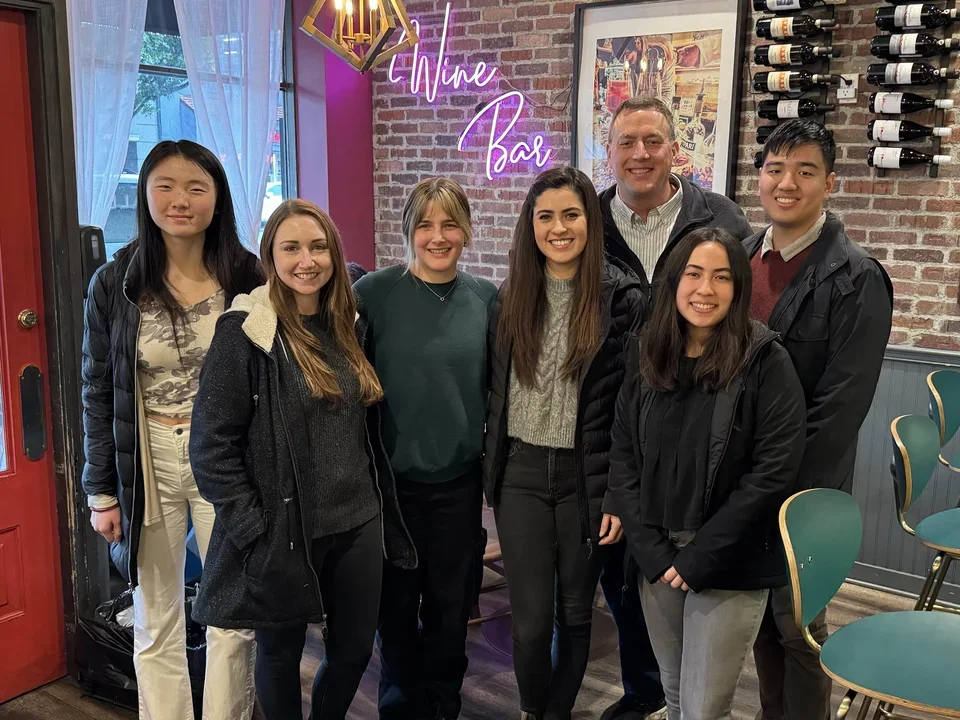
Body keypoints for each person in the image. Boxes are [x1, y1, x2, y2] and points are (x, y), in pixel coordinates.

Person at [188, 199, 417, 719]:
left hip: (358, 519)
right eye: (290, 247)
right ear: (271, 255)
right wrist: (253, 529)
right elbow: (210, 447)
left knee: (356, 650)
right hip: (284, 526)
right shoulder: (245, 333)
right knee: (279, 655)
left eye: (317, 247)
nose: (306, 260)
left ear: (334, 254)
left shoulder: (349, 325)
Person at [81, 140, 262, 720]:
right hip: (148, 457)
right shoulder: (116, 282)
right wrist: (100, 490)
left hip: (227, 457)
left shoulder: (246, 273)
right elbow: (97, 388)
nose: (179, 200)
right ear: (145, 193)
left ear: (217, 198)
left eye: (196, 187)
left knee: (233, 613)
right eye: (165, 185)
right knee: (156, 615)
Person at [609, 227, 807, 720]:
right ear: (674, 281)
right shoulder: (646, 352)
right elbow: (623, 455)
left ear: (738, 288)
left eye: (722, 277)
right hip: (658, 558)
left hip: (729, 563)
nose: (705, 289)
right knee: (674, 696)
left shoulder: (765, 360)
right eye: (694, 274)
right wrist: (651, 550)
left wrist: (700, 555)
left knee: (703, 709)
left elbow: (774, 471)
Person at [598, 94, 754, 720]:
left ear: (674, 148)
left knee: (692, 598)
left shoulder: (718, 217)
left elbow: (740, 321)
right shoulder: (589, 220)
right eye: (626, 143)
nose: (640, 155)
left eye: (652, 141)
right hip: (616, 430)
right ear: (608, 152)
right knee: (627, 581)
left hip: (703, 435)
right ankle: (646, 698)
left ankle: (681, 702)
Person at [483, 166, 646, 720]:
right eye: (545, 216)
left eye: (571, 214)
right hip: (521, 476)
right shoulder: (510, 296)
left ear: (590, 222)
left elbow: (634, 410)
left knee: (575, 616)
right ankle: (535, 711)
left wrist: (620, 496)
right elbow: (493, 392)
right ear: (530, 224)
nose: (558, 227)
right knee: (529, 624)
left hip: (588, 480)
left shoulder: (621, 296)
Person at [747, 120, 893, 720]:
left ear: (829, 183)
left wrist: (768, 486)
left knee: (796, 625)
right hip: (737, 486)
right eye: (775, 169)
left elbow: (839, 410)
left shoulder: (857, 279)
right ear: (759, 179)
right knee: (756, 619)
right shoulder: (734, 261)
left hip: (802, 490)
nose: (787, 183)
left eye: (805, 171)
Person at [354, 178, 497, 720]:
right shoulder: (374, 295)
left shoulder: (485, 299)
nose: (438, 236)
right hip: (389, 490)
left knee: (449, 609)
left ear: (466, 230)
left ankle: (443, 706)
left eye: (450, 224)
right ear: (408, 230)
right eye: (425, 225)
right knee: (394, 611)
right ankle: (398, 707)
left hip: (458, 487)